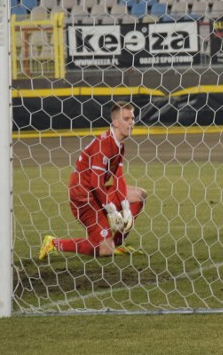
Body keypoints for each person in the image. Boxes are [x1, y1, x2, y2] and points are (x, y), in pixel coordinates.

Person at [38, 101, 147, 258]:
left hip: (98, 194)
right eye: (126, 118)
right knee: (105, 250)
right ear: (115, 122)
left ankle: (117, 243)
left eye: (132, 118)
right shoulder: (104, 144)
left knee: (139, 195)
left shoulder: (119, 145)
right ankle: (53, 243)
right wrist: (113, 211)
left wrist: (126, 208)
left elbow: (118, 177)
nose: (131, 122)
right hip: (83, 198)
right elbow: (95, 184)